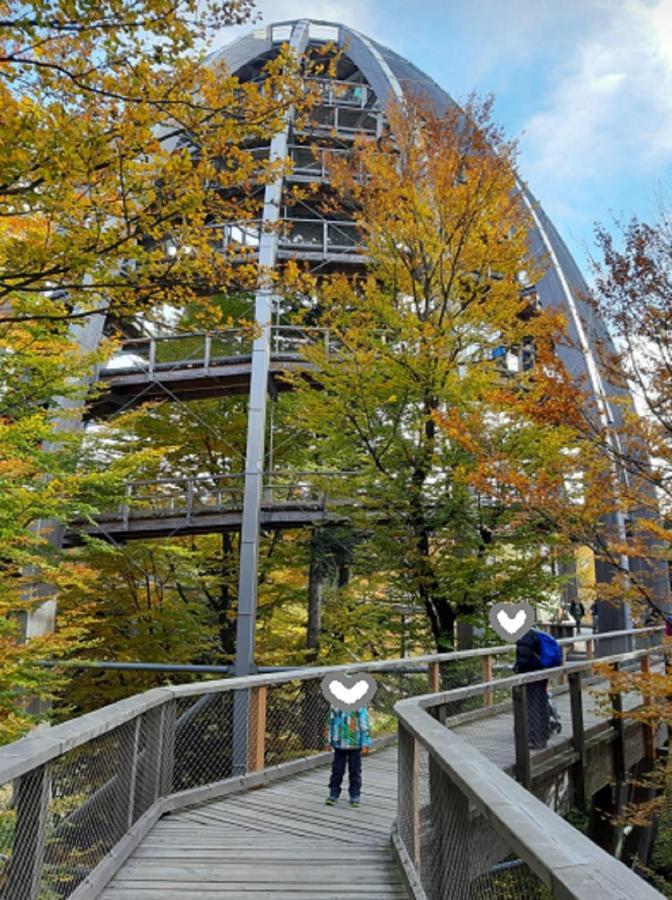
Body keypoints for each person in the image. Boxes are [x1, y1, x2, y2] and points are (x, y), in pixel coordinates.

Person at [325, 706, 372, 807]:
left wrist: (365, 743)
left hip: (355, 744)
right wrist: (328, 741)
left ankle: (355, 794)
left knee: (355, 771)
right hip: (339, 744)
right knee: (337, 770)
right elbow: (330, 723)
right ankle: (333, 793)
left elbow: (364, 724)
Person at [514, 628, 551, 750]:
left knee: (532, 705)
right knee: (542, 702)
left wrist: (517, 668)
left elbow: (524, 657)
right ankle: (544, 734)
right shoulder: (536, 631)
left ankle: (535, 739)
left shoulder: (524, 634)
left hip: (531, 674)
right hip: (542, 672)